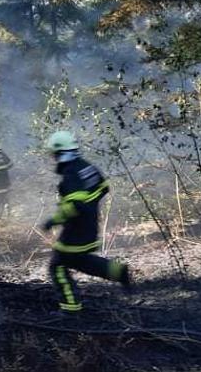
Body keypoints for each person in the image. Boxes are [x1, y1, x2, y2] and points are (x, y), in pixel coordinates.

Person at [41, 130, 131, 313]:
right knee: (81, 261)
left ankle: (70, 307)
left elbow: (73, 206)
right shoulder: (86, 167)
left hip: (75, 231)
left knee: (57, 266)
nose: (53, 158)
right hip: (89, 226)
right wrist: (91, 203)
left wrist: (53, 220)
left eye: (53, 154)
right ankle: (118, 272)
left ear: (59, 153)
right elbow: (104, 187)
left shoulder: (70, 175)